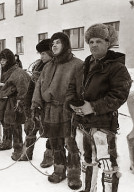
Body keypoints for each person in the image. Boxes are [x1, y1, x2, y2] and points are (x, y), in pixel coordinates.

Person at [67, 23, 132, 192]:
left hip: (103, 126)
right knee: (87, 161)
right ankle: (88, 189)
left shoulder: (117, 68)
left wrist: (93, 107)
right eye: (91, 41)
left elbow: (119, 95)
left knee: (107, 164)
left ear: (107, 42)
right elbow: (71, 89)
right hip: (82, 125)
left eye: (98, 41)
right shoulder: (82, 66)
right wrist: (72, 104)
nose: (94, 44)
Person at [31, 32, 83, 189]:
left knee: (71, 143)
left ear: (66, 45)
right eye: (52, 43)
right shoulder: (48, 66)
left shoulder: (77, 64)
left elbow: (81, 90)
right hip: (50, 110)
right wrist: (36, 104)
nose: (54, 45)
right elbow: (39, 87)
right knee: (55, 142)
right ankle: (59, 170)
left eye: (58, 42)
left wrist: (79, 109)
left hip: (68, 110)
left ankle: (74, 175)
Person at [0, 48, 30, 161]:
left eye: (4, 60)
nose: (2, 62)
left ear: (10, 60)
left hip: (13, 102)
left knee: (15, 124)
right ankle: (6, 142)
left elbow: (23, 88)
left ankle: (18, 148)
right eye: (1, 60)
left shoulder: (18, 73)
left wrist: (20, 101)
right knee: (4, 122)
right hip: (1, 101)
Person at [20, 39, 54, 169]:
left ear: (51, 53)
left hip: (48, 106)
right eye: (40, 54)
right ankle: (26, 152)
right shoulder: (37, 66)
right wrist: (27, 103)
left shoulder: (55, 67)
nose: (41, 56)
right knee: (30, 128)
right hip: (34, 104)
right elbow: (31, 87)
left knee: (50, 132)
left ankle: (49, 156)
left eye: (44, 53)